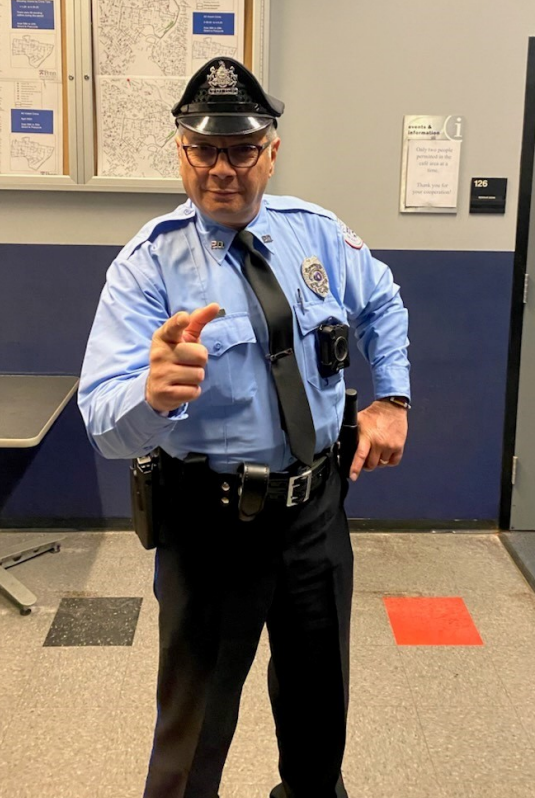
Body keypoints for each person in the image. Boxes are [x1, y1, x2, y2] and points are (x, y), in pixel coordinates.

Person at [78, 57, 410, 798]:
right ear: (180, 150)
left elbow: (383, 300)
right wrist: (150, 395)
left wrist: (392, 398)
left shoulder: (316, 236)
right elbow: (102, 420)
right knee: (193, 737)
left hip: (316, 513)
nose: (222, 169)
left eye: (241, 149)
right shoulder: (147, 267)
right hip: (210, 523)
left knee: (320, 715)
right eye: (204, 149)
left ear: (272, 150)